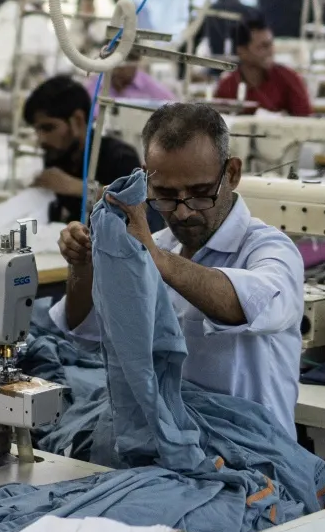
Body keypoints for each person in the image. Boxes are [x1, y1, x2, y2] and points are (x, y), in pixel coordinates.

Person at [52, 102, 305, 424]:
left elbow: (248, 304)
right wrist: (82, 268)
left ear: (231, 173)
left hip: (251, 447)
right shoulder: (157, 246)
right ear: (146, 180)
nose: (183, 212)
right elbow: (86, 333)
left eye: (200, 192)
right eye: (166, 194)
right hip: (171, 439)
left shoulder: (270, 250)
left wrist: (156, 259)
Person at [22, 74, 140, 224]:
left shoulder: (120, 156)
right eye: (37, 130)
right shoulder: (58, 155)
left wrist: (77, 187)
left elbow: (134, 205)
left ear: (77, 120)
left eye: (48, 128)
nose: (41, 139)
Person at [211, 22, 313, 117]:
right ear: (242, 51)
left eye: (271, 44)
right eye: (263, 46)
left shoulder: (289, 79)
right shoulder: (227, 86)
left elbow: (305, 120)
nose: (270, 51)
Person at [86, 60, 176, 106]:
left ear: (135, 64)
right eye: (115, 65)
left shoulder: (151, 88)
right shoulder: (94, 86)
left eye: (122, 66)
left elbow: (175, 109)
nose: (118, 70)